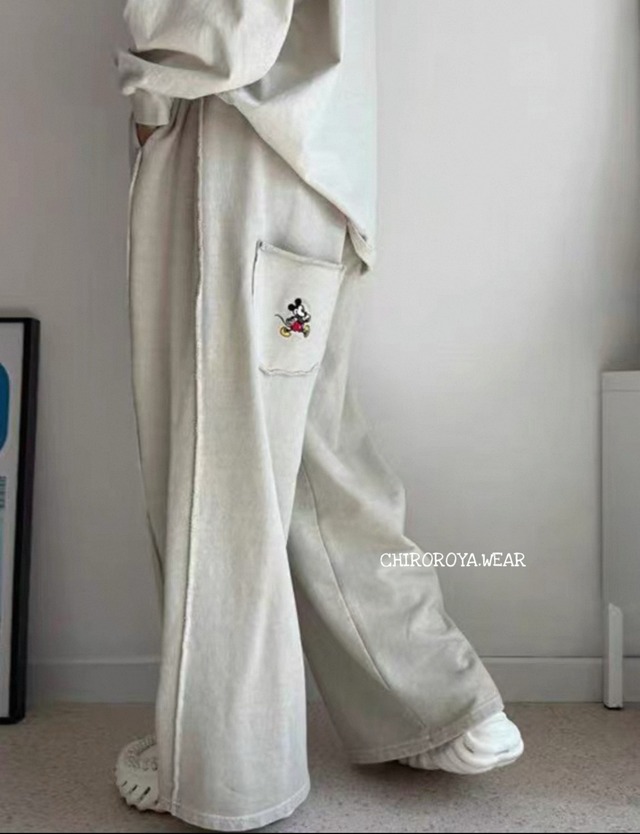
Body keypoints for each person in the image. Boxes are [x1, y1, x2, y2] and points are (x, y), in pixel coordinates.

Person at [114, 1, 523, 830]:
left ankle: (226, 770)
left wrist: (151, 92)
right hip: (324, 159)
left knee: (224, 474)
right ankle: (438, 705)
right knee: (315, 461)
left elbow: (225, 25)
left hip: (235, 146)